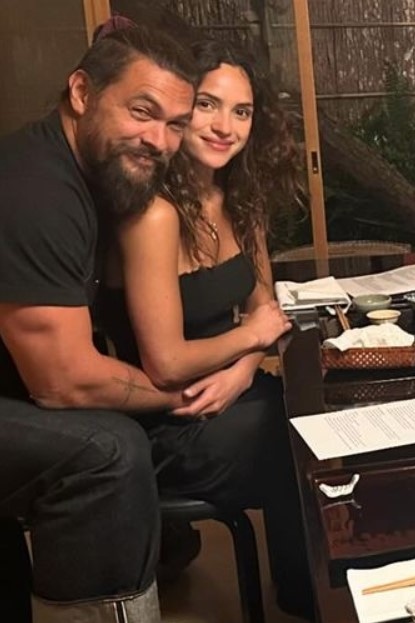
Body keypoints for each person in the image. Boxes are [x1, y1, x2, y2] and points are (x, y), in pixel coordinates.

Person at [100, 38, 314, 620]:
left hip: (232, 393)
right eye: (207, 105)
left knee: (319, 412)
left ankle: (316, 590)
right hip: (171, 418)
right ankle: (308, 598)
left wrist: (242, 372)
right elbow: (167, 363)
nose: (225, 127)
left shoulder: (238, 198)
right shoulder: (152, 214)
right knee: (301, 438)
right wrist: (249, 340)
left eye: (241, 111)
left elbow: (266, 310)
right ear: (179, 109)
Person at [0, 25, 199, 623]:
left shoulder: (89, 177)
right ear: (82, 92)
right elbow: (64, 380)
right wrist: (179, 393)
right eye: (142, 112)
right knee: (108, 452)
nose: (158, 140)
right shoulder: (35, 187)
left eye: (175, 124)